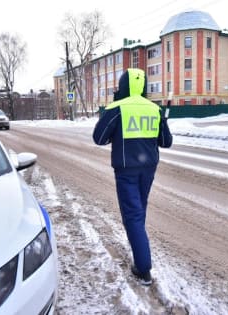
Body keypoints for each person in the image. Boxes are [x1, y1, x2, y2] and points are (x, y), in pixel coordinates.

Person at [92, 68, 172, 286]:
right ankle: (140, 245)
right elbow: (166, 142)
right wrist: (161, 122)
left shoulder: (117, 108)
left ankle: (143, 268)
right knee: (139, 211)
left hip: (126, 169)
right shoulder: (155, 109)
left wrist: (114, 132)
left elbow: (99, 137)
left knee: (133, 216)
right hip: (148, 168)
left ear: (124, 86)